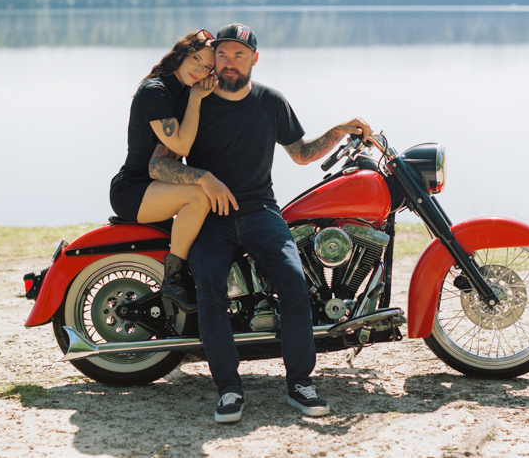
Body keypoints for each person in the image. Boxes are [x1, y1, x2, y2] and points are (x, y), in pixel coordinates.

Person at [148, 23, 371, 423]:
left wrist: (339, 129)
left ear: (254, 58)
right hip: (209, 217)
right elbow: (159, 162)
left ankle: (300, 383)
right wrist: (200, 178)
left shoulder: (271, 101)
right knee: (210, 294)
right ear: (213, 57)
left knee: (294, 283)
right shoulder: (194, 102)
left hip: (260, 212)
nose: (228, 62)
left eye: (238, 54)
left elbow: (301, 154)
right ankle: (229, 389)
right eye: (222, 54)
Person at [110, 29, 238, 316]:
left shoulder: (183, 91)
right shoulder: (155, 91)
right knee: (199, 197)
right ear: (181, 54)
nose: (199, 69)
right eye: (195, 59)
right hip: (134, 189)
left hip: (160, 185)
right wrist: (195, 99)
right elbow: (179, 144)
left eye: (207, 67)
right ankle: (173, 282)